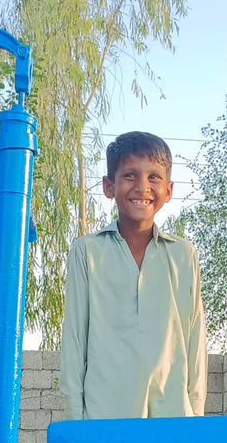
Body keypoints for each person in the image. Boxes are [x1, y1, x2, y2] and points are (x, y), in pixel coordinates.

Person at [59, 130, 207, 421]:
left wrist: (195, 417)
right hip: (104, 417)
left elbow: (195, 340)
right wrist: (76, 422)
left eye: (154, 177)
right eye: (129, 175)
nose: (142, 187)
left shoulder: (183, 254)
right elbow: (75, 339)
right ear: (108, 186)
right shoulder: (87, 252)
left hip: (173, 417)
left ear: (169, 189)